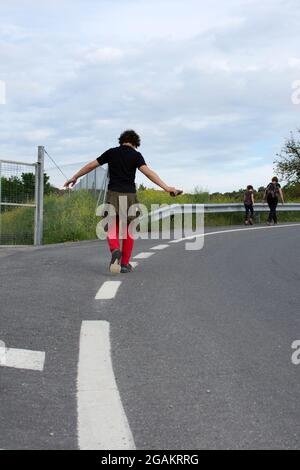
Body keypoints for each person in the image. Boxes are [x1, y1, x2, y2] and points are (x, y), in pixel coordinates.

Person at [64, 129, 182, 273]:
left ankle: (114, 250)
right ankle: (125, 264)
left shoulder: (111, 152)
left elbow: (91, 166)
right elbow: (148, 173)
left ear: (121, 140)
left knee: (111, 226)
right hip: (130, 196)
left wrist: (75, 177)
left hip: (113, 194)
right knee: (128, 230)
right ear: (135, 143)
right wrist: (166, 187)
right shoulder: (136, 155)